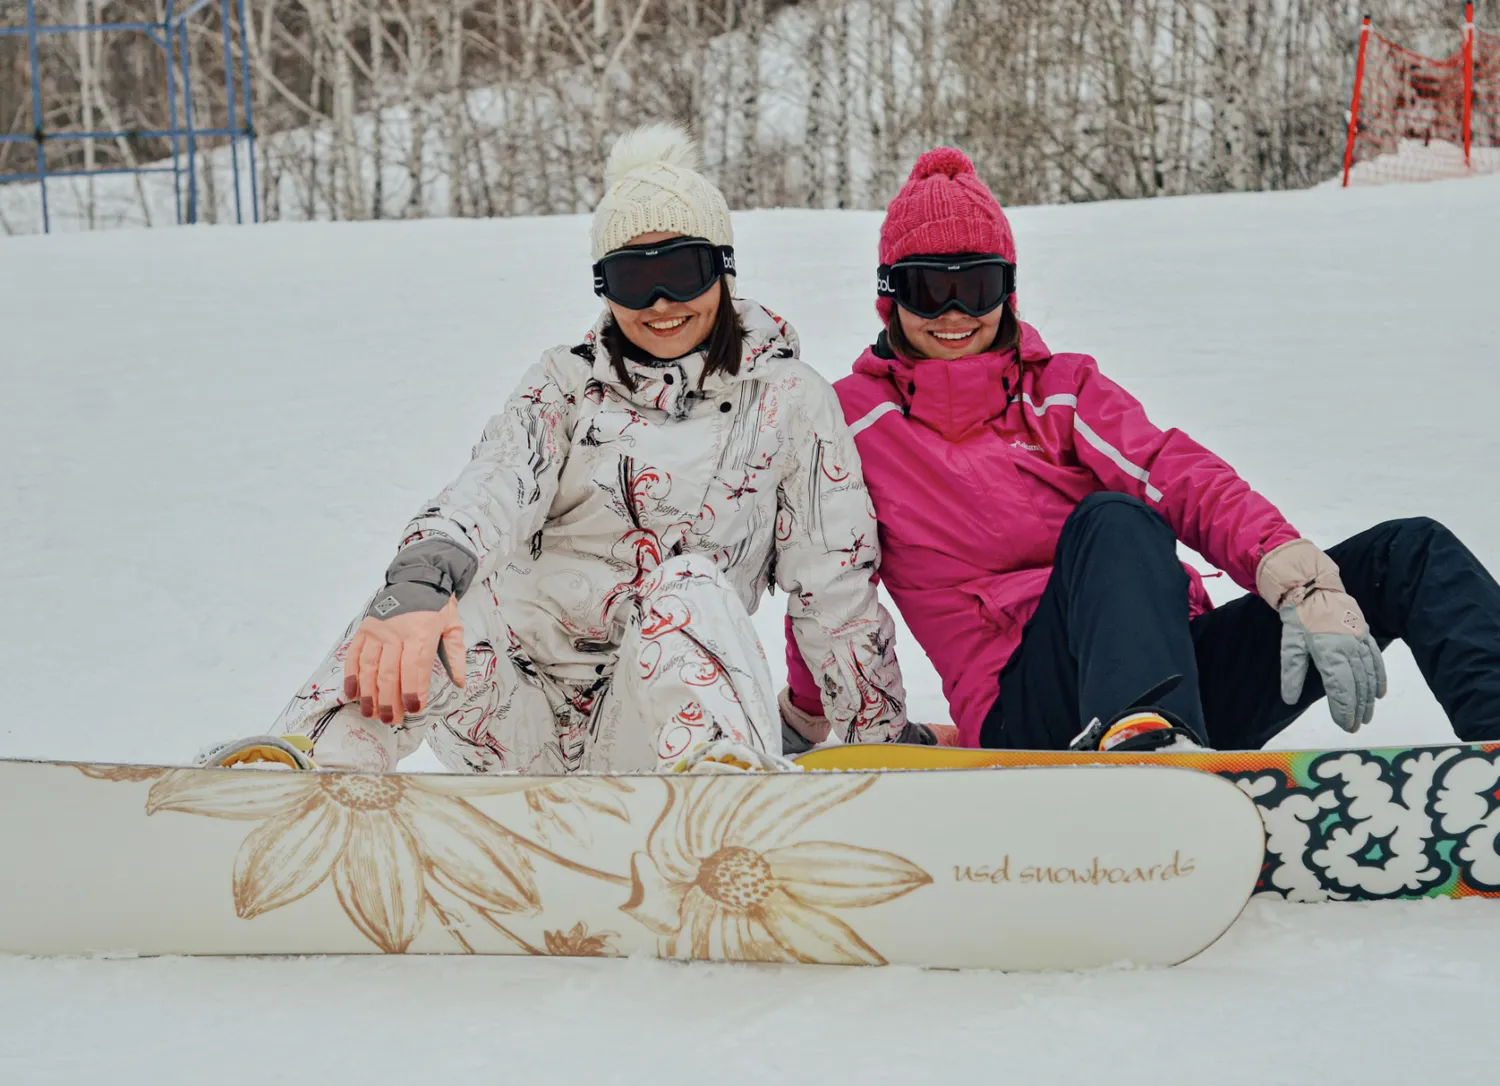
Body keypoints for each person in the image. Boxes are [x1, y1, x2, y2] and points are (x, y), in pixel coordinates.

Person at [206, 123, 913, 776]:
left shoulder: (787, 400)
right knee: (432, 607)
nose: (660, 302)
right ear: (605, 289)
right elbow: (494, 483)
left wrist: (882, 752)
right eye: (634, 279)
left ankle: (718, 800)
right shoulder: (566, 385)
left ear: (723, 271)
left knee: (691, 586)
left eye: (684, 272)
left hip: (658, 735)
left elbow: (835, 589)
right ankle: (299, 782)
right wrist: (420, 582)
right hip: (518, 720)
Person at [781, 146, 1500, 755]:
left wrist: (1305, 584)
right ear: (890, 298)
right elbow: (826, 576)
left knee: (1411, 554)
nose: (954, 314)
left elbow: (1174, 474)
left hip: (1176, 667)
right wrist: (807, 717)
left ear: (1008, 290)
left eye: (976, 286)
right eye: (926, 290)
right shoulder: (852, 424)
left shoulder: (1060, 390)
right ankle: (1152, 755)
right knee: (1114, 521)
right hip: (1027, 716)